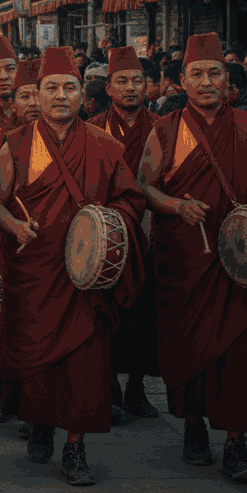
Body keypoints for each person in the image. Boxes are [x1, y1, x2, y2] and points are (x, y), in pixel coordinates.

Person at [0, 46, 146, 486]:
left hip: (86, 273)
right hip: (34, 269)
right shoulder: (14, 143)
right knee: (37, 360)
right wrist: (14, 227)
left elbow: (131, 199)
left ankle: (75, 447)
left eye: (70, 88)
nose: (61, 96)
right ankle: (39, 424)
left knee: (85, 363)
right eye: (51, 88)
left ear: (83, 95)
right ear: (36, 95)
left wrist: (106, 230)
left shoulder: (104, 145)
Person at [138, 33, 247, 482]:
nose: (207, 82)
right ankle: (192, 427)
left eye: (215, 73)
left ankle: (237, 445)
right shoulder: (164, 131)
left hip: (240, 264)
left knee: (244, 354)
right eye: (197, 74)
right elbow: (143, 187)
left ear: (229, 80)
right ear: (181, 81)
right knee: (188, 347)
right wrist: (176, 206)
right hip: (186, 259)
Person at [88, 47, 164, 421]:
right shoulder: (93, 128)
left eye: (138, 81)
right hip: (109, 235)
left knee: (145, 314)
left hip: (152, 233)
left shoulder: (164, 128)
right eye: (122, 81)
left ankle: (137, 388)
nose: (131, 88)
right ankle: (111, 388)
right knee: (107, 312)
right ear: (108, 87)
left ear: (148, 86)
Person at [0, 58, 40, 427]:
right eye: (25, 96)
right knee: (5, 323)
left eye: (38, 94)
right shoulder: (6, 142)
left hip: (52, 245)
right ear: (12, 104)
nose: (32, 102)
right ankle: (3, 395)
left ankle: (37, 406)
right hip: (6, 244)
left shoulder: (69, 137)